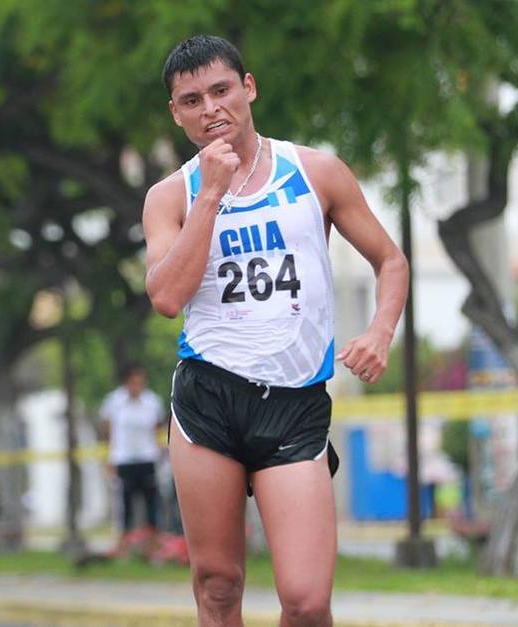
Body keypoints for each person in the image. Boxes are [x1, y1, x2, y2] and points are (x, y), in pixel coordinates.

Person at [143, 35, 408, 626]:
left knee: (307, 602)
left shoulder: (315, 172)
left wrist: (380, 332)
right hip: (208, 399)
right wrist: (211, 194)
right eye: (192, 100)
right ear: (176, 113)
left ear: (249, 87)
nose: (211, 108)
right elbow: (165, 296)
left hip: (293, 402)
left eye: (221, 90)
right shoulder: (171, 196)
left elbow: (390, 260)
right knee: (218, 586)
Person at [99, 365, 166, 552]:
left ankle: (152, 546)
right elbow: (107, 431)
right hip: (123, 459)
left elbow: (157, 430)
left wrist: (161, 454)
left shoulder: (152, 402)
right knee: (124, 504)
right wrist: (108, 458)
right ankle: (123, 546)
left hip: (147, 458)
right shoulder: (114, 402)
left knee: (151, 503)